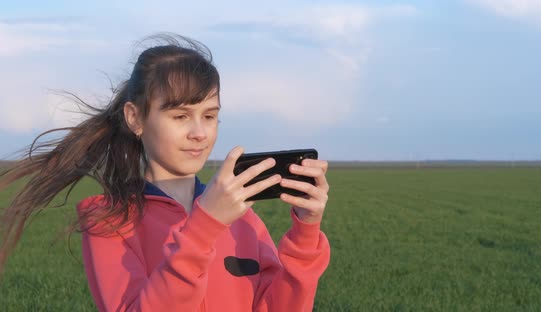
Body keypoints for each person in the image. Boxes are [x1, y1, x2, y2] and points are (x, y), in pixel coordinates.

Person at [0, 34, 330, 311]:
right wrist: (205, 226)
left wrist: (306, 233)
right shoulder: (108, 221)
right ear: (135, 118)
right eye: (180, 116)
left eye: (210, 116)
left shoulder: (244, 220)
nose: (200, 133)